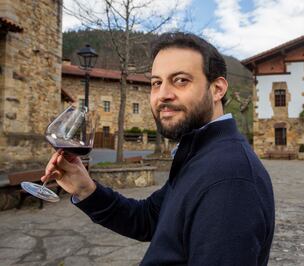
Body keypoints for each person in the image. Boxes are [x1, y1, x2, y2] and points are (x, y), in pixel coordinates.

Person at [42, 32, 275, 265]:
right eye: (156, 83)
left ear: (217, 89)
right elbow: (149, 218)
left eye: (181, 80)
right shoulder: (201, 155)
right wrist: (86, 190)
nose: (163, 94)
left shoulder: (229, 177)